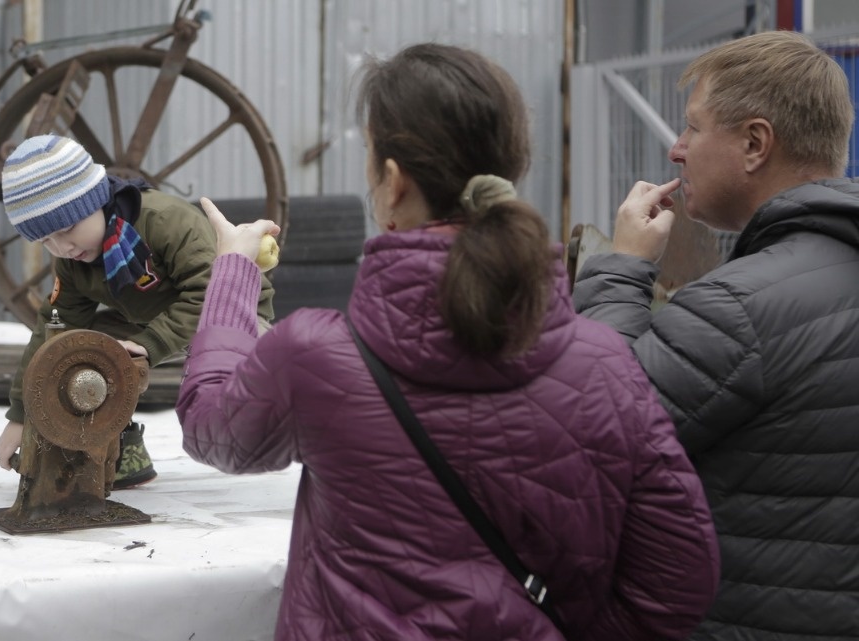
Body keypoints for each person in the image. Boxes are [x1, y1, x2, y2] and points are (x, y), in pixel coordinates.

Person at [176, 43, 719, 640]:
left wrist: (232, 270)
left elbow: (211, 427)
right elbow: (680, 575)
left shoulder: (314, 356)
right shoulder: (605, 363)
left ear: (391, 181)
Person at [572, 30, 859, 639]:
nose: (676, 150)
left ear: (755, 143)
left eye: (693, 128)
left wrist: (622, 268)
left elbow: (598, 429)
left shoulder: (741, 307)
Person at [0, 134, 275, 490]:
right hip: (150, 316)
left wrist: (150, 343)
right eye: (46, 241)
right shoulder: (72, 260)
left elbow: (209, 292)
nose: (61, 247)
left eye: (67, 229)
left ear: (96, 202)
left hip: (235, 311)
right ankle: (119, 451)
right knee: (80, 349)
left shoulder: (164, 222)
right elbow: (53, 329)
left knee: (268, 387)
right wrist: (22, 415)